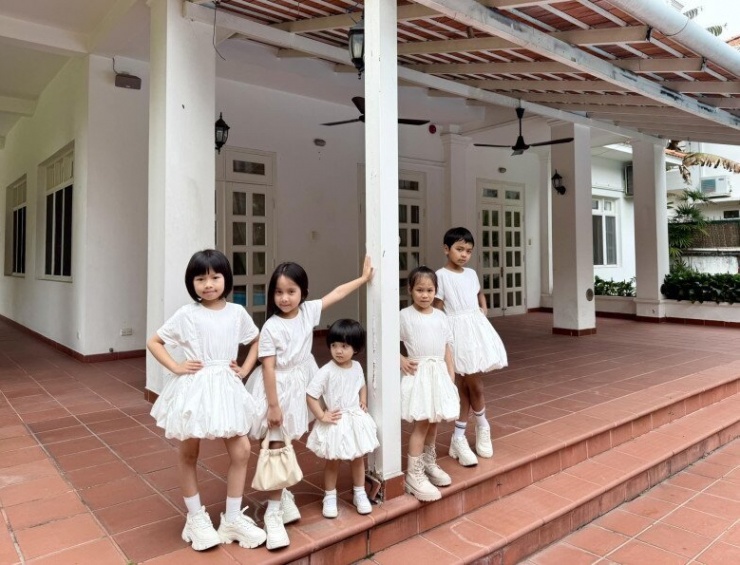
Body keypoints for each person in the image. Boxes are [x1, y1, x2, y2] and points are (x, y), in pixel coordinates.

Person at [246, 256, 373, 549]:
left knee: (289, 438)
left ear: (303, 292)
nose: (285, 298)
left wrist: (363, 278)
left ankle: (283, 495)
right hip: (278, 387)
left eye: (291, 291)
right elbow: (268, 368)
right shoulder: (271, 327)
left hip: (301, 381)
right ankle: (273, 513)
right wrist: (273, 406)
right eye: (279, 292)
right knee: (276, 444)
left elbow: (337, 293)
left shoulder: (307, 312)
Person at [148, 249, 266, 552]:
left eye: (215, 277)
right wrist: (176, 366)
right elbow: (154, 342)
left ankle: (232, 518)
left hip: (226, 387)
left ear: (226, 279)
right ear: (192, 283)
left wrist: (246, 368)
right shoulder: (187, 314)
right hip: (195, 389)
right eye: (200, 278)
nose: (208, 284)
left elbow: (257, 340)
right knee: (190, 451)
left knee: (241, 449)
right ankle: (195, 518)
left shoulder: (237, 313)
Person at [434, 227, 508, 467]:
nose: (464, 254)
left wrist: (483, 308)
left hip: (475, 330)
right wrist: (439, 337)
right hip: (456, 332)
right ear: (446, 249)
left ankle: (466, 433)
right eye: (459, 249)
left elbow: (479, 293)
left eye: (468, 251)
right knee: (466, 385)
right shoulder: (441, 276)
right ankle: (475, 428)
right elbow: (438, 307)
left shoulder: (471, 273)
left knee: (471, 384)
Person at [306, 319, 379, 519]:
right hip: (336, 421)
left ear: (355, 347)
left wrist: (363, 400)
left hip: (354, 419)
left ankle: (359, 492)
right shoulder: (326, 371)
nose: (338, 351)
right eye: (334, 345)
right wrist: (321, 415)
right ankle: (330, 496)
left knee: (357, 458)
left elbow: (361, 384)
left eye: (344, 346)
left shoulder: (357, 366)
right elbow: (311, 395)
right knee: (333, 460)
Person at [399, 266, 460, 502]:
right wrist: (400, 358)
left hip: (439, 373)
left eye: (429, 290)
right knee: (422, 422)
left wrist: (450, 376)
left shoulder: (441, 316)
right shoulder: (404, 315)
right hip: (420, 373)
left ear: (436, 291)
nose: (425, 295)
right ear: (410, 290)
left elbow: (447, 348)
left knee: (434, 421)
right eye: (419, 290)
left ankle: (428, 462)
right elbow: (388, 340)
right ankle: (413, 474)